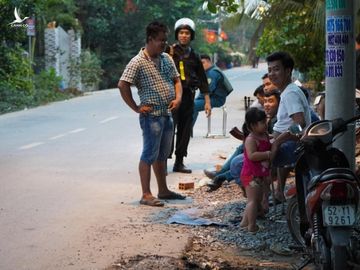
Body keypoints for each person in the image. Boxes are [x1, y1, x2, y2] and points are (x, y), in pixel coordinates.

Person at [118, 21, 185, 207]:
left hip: (167, 114)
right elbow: (122, 85)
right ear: (150, 39)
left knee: (162, 155)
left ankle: (162, 190)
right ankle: (146, 194)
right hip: (151, 116)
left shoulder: (166, 59)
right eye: (160, 40)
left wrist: (178, 98)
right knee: (149, 154)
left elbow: (177, 80)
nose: (164, 44)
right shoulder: (137, 61)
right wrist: (136, 107)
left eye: (165, 40)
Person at [167, 18, 211, 173]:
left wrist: (207, 101)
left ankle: (179, 162)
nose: (184, 35)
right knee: (169, 128)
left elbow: (202, 79)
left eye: (186, 33)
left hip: (189, 97)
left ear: (191, 35)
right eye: (181, 32)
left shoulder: (194, 56)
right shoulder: (169, 52)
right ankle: (163, 161)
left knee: (185, 130)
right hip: (172, 97)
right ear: (177, 34)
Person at [266, 51, 311, 201]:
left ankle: (258, 204)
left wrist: (278, 141)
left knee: (241, 162)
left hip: (294, 147)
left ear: (288, 71)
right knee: (248, 145)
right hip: (288, 143)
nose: (272, 74)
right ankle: (273, 195)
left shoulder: (290, 93)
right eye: (270, 70)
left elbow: (300, 124)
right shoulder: (286, 91)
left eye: (276, 69)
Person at [240, 108, 271, 233]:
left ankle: (244, 222)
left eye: (265, 122)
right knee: (252, 200)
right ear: (252, 125)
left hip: (259, 174)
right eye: (262, 122)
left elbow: (269, 140)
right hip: (250, 175)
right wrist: (267, 154)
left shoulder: (264, 135)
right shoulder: (251, 139)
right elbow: (252, 155)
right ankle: (251, 226)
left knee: (256, 199)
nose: (265, 125)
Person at [192, 54, 233, 127]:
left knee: (192, 106)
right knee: (190, 104)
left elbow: (208, 90)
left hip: (217, 99)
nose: (201, 65)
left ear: (209, 62)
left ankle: (187, 129)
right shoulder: (209, 71)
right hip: (212, 97)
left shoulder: (212, 73)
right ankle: (188, 129)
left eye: (203, 63)